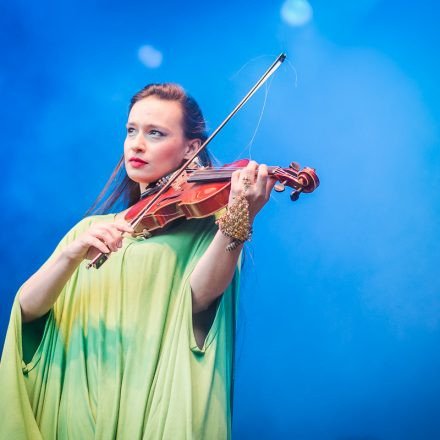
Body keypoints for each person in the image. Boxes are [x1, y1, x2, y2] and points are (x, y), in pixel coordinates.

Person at [0, 83, 276, 439]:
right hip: (75, 407)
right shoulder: (88, 231)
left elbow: (202, 299)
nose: (137, 144)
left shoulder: (210, 231)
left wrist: (239, 218)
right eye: (131, 131)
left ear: (192, 148)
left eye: (155, 133)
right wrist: (69, 255)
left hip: (148, 406)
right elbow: (27, 313)